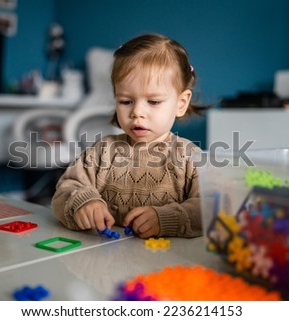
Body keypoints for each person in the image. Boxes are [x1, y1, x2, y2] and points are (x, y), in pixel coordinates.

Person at [52, 33, 209, 238]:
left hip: (165, 263)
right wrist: (83, 202)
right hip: (105, 260)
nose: (137, 112)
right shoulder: (103, 152)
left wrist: (168, 218)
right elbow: (65, 189)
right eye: (126, 101)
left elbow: (209, 207)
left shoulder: (190, 157)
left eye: (153, 102)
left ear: (181, 103)